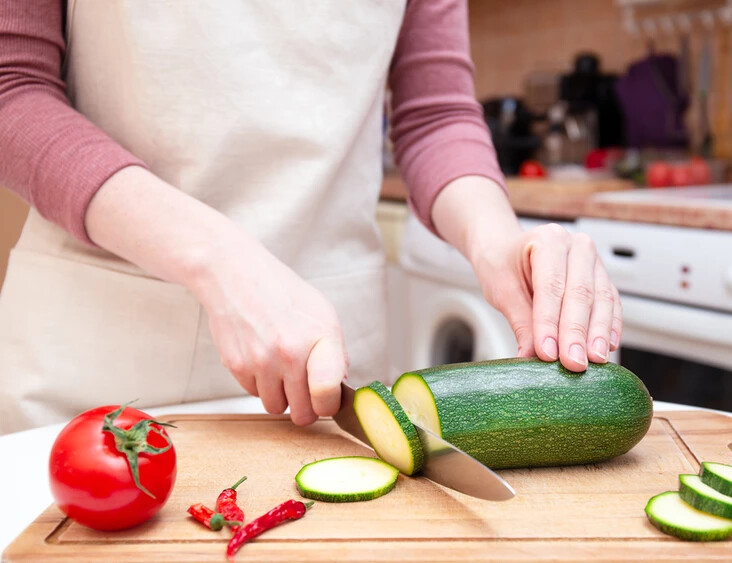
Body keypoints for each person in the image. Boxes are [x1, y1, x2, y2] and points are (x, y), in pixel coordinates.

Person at [0, 0, 622, 435]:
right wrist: (219, 258)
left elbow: (435, 115)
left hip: (325, 376)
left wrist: (498, 239)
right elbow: (13, 88)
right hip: (96, 355)